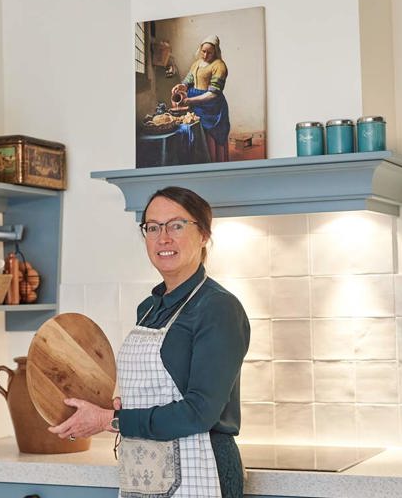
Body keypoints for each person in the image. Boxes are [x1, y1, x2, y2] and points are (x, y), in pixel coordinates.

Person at [49, 186, 251, 498]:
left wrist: (110, 420)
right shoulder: (149, 308)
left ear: (204, 235)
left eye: (177, 225)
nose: (163, 238)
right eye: (152, 227)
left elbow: (200, 412)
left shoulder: (217, 307)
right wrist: (121, 406)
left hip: (203, 471)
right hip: (144, 475)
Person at [172, 35, 231, 162]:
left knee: (211, 137)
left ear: (216, 51)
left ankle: (215, 164)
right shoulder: (196, 64)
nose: (205, 55)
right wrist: (180, 86)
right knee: (198, 136)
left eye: (209, 52)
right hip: (196, 106)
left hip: (212, 106)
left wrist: (190, 101)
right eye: (203, 51)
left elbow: (213, 94)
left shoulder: (219, 66)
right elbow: (188, 82)